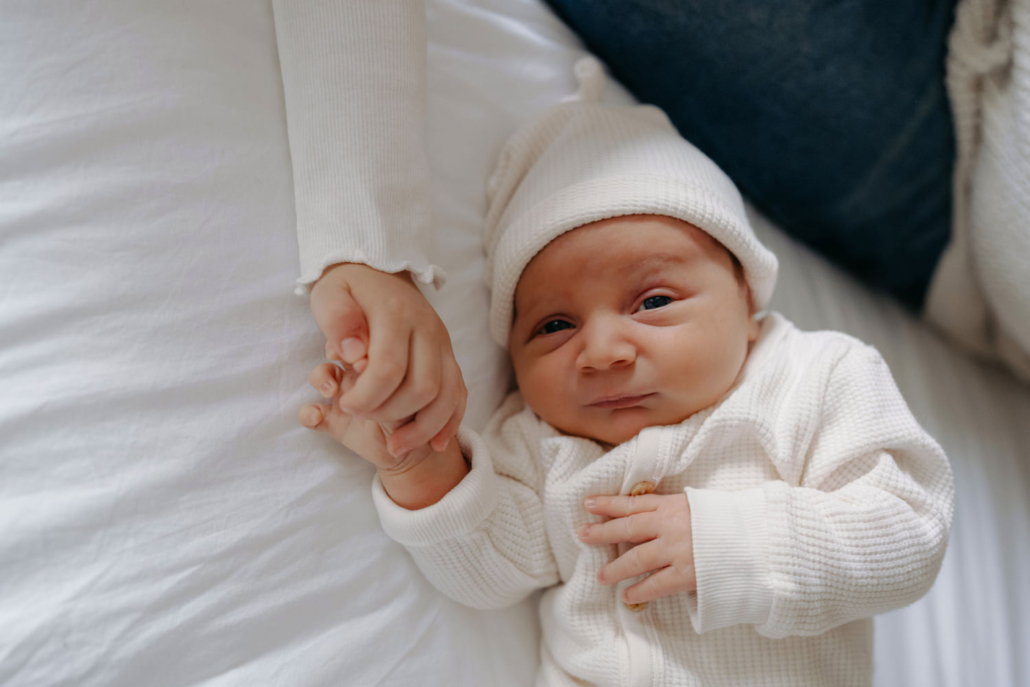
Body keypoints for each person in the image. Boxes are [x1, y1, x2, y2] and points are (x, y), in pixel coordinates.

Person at [297, 60, 955, 686]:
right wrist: (416, 461)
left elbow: (907, 529)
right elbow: (487, 569)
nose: (604, 350)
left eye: (654, 302)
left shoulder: (812, 378)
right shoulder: (541, 443)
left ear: (748, 301)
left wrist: (728, 544)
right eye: (554, 326)